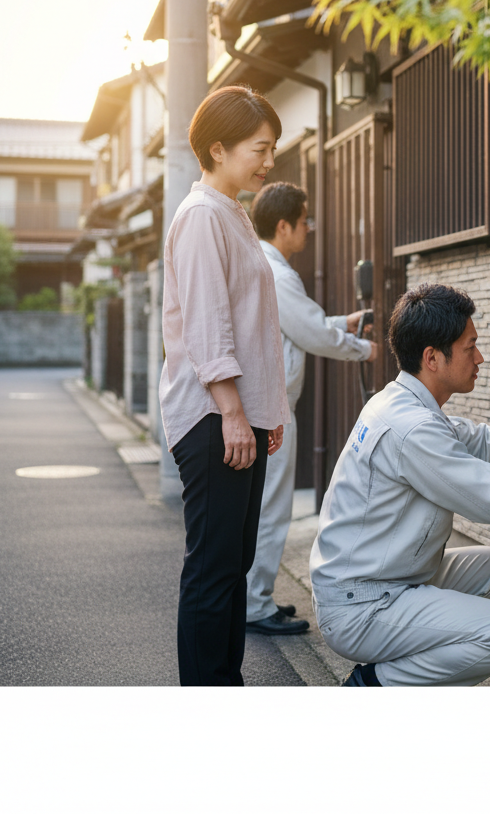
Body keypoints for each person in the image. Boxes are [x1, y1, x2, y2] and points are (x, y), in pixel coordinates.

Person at [309, 282, 490, 686]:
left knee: (487, 566)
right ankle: (374, 685)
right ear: (432, 358)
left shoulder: (403, 402)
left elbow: (487, 442)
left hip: (376, 582)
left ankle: (411, 667)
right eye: (470, 347)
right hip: (362, 605)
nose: (479, 357)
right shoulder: (412, 428)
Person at [159, 85, 290, 686]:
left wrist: (267, 411)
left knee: (232, 561)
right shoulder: (201, 216)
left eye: (272, 149)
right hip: (214, 416)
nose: (269, 162)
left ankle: (223, 683)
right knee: (214, 566)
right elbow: (210, 324)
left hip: (238, 415)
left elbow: (253, 323)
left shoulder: (231, 211)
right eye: (259, 149)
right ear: (217, 148)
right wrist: (237, 413)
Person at [244, 181, 377, 635]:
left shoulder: (261, 265)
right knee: (271, 509)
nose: (308, 229)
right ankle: (254, 604)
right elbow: (313, 335)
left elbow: (300, 323)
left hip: (259, 405)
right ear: (284, 226)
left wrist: (344, 323)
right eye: (304, 221)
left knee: (259, 507)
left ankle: (252, 597)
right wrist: (364, 348)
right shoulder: (277, 273)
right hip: (272, 410)